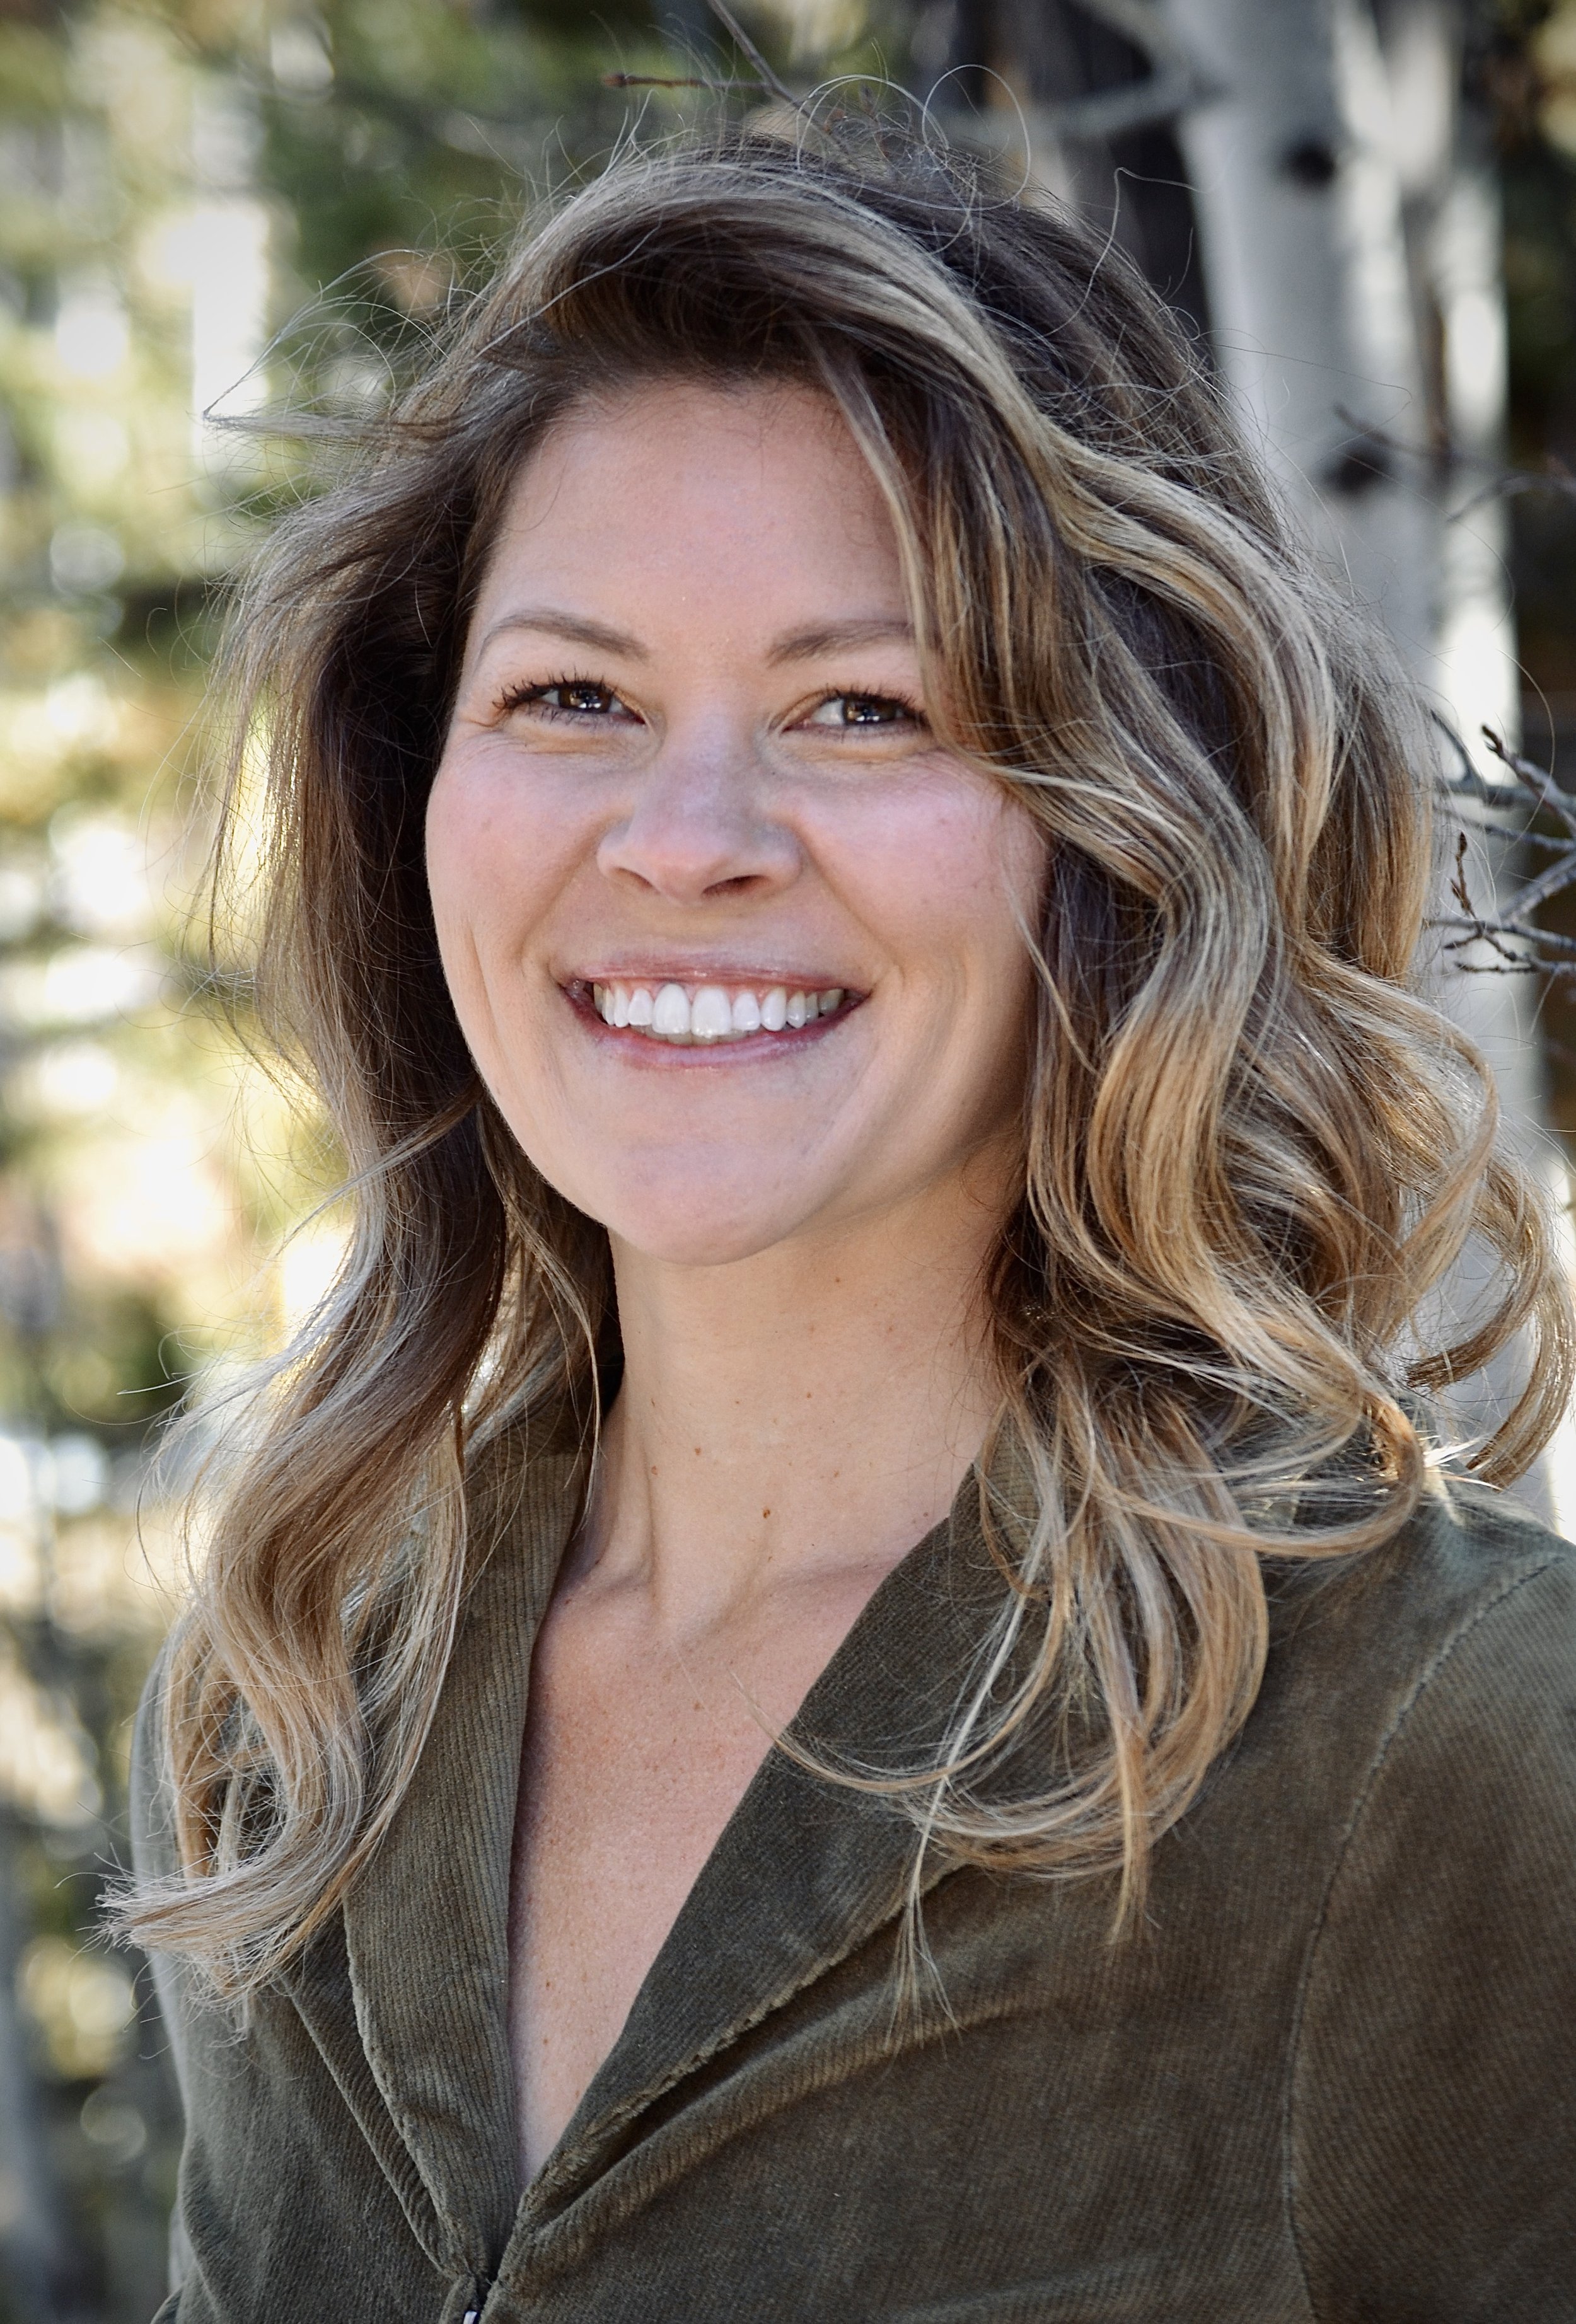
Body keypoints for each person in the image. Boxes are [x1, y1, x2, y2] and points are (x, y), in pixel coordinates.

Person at [124, 128, 1576, 2323]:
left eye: (860, 709)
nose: (685, 837)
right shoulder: (302, 1713)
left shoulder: (1455, 1757)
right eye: (574, 696)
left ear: (1124, 834)